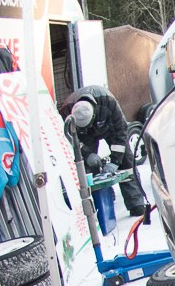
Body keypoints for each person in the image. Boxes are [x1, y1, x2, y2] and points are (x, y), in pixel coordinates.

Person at [61, 85, 150, 233]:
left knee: (126, 163)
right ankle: (97, 207)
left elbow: (121, 132)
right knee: (87, 171)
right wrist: (87, 153)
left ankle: (136, 205)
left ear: (94, 113)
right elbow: (68, 138)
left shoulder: (108, 102)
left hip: (110, 128)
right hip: (83, 136)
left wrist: (115, 162)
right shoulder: (66, 111)